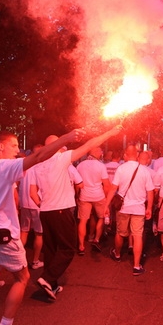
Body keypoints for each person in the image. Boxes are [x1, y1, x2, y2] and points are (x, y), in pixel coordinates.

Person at [0, 128, 88, 325]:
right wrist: (66, 138)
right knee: (22, 278)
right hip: (2, 234)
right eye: (14, 145)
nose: (17, 150)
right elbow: (38, 157)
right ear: (1, 146)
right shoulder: (4, 166)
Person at [31, 125, 122, 301]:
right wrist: (110, 132)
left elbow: (34, 191)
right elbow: (90, 145)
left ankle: (52, 285)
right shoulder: (60, 158)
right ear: (56, 146)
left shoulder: (37, 164)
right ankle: (47, 278)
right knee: (67, 248)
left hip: (45, 211)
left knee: (51, 249)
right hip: (60, 210)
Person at [105, 146, 154, 275]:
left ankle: (117, 254)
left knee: (120, 233)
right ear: (137, 156)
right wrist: (149, 208)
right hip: (139, 208)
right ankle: (136, 266)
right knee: (137, 235)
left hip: (123, 207)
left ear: (126, 155)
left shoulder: (121, 169)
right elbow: (150, 192)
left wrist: (106, 205)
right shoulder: (144, 170)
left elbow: (112, 189)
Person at [76, 146, 110, 254]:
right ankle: (96, 239)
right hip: (98, 196)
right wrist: (106, 199)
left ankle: (81, 246)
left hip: (84, 196)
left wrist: (77, 195)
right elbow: (106, 185)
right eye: (101, 151)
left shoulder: (80, 165)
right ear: (96, 152)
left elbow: (77, 183)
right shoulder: (101, 166)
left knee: (83, 221)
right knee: (101, 217)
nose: (102, 153)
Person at [18, 144, 44, 269]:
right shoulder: (41, 167)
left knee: (24, 231)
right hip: (37, 204)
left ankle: (19, 260)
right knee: (39, 233)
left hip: (24, 203)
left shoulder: (25, 166)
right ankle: (35, 261)